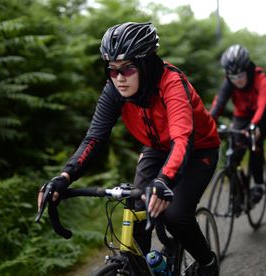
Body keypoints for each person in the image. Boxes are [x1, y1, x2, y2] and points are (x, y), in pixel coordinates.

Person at [37, 22, 220, 275]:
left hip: (198, 148)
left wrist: (164, 180)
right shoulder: (114, 89)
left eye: (128, 68)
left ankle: (208, 262)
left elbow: (182, 138)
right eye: (112, 70)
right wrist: (65, 176)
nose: (119, 78)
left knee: (175, 215)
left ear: (145, 64)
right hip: (156, 148)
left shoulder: (172, 83)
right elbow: (94, 138)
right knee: (134, 211)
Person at [210, 44, 266, 205]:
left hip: (265, 115)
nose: (237, 80)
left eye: (240, 75)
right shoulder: (229, 81)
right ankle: (239, 194)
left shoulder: (261, 79)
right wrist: (207, 124)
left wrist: (254, 126)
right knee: (233, 155)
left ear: (247, 69)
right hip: (242, 115)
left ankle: (259, 184)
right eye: (232, 77)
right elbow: (218, 104)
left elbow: (262, 104)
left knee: (255, 143)